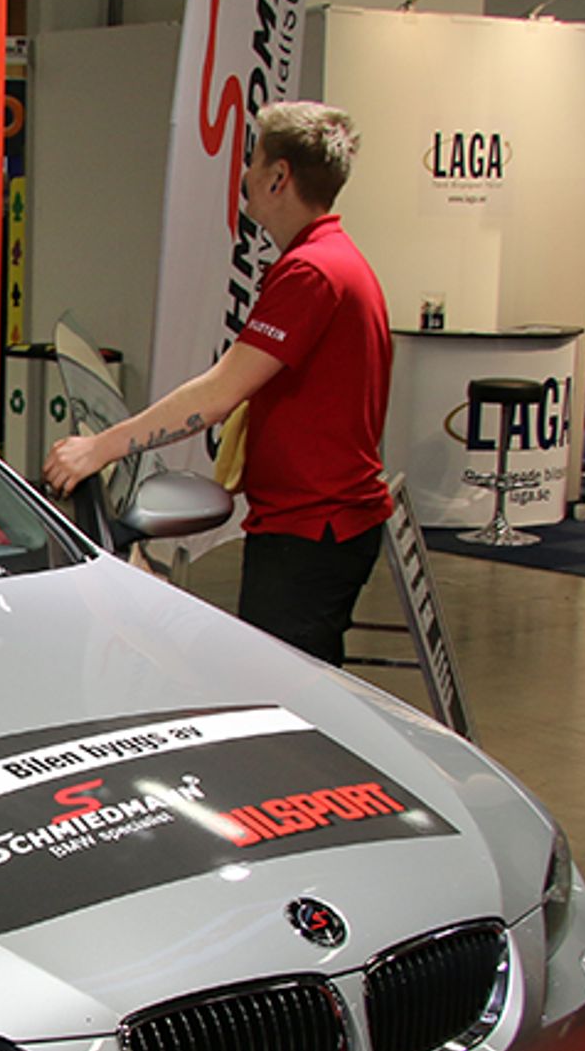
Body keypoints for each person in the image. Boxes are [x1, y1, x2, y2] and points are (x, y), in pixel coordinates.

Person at [43, 100, 391, 665]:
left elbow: (218, 394)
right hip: (318, 525)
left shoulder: (311, 273)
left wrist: (99, 448)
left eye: (253, 160)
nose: (245, 176)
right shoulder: (331, 261)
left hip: (309, 532)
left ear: (279, 176)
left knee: (285, 697)